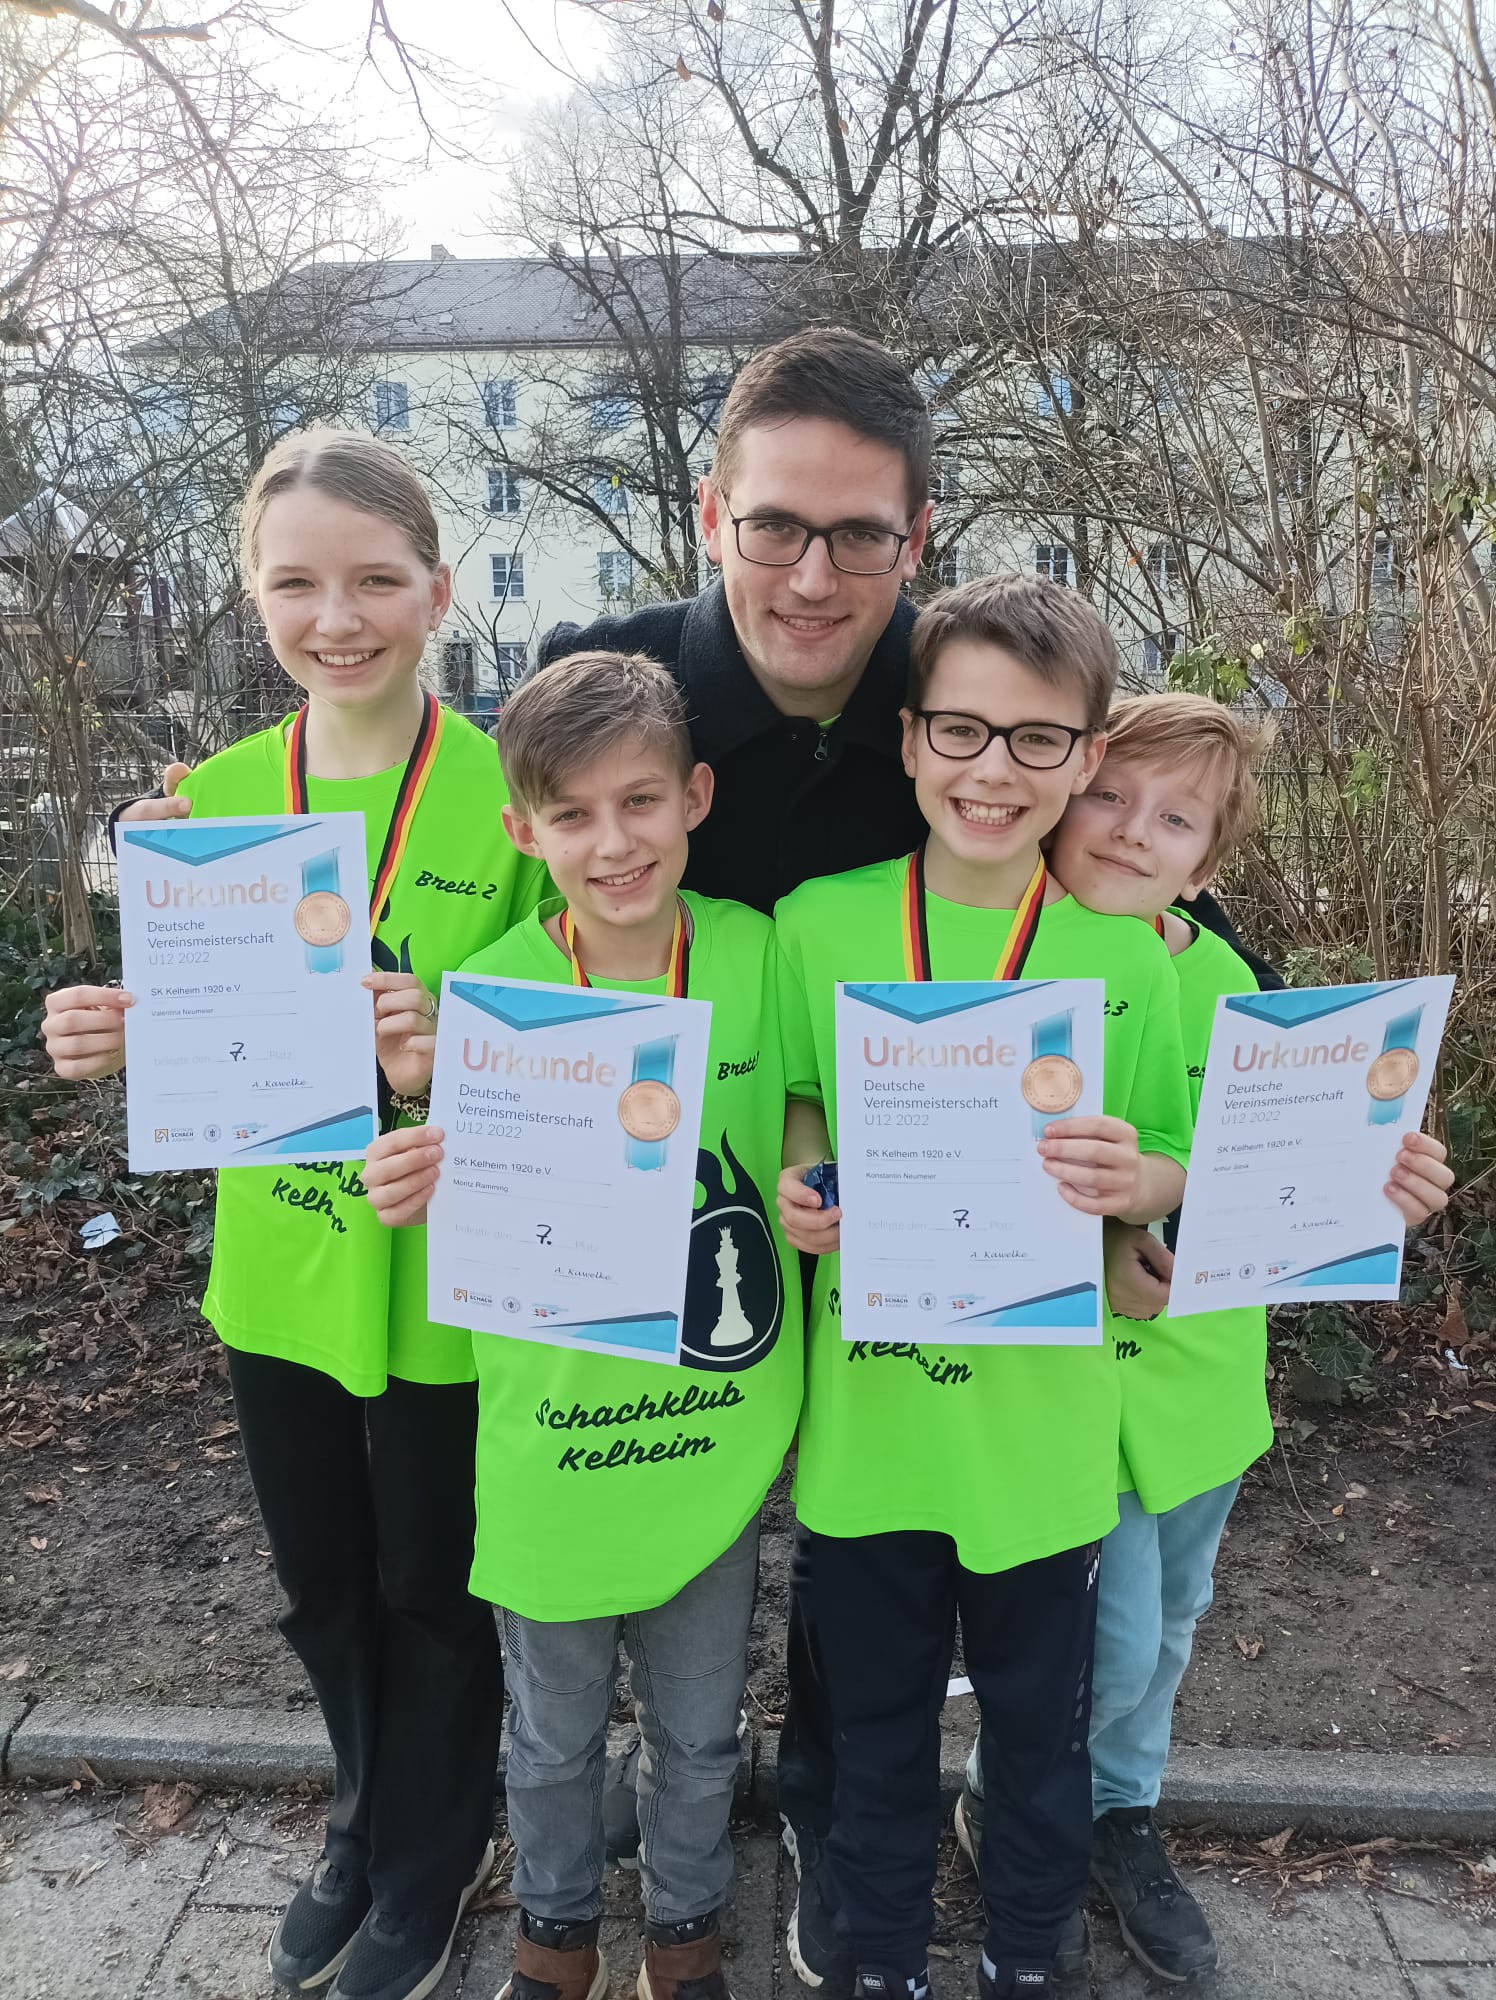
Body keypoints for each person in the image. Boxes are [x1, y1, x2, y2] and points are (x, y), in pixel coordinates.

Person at [40, 429, 546, 2000]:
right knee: (324, 1583)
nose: (339, 618)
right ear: (253, 596)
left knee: (433, 1590)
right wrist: (109, 1036)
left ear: (439, 592)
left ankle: (432, 1854)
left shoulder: (513, 793)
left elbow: (582, 1033)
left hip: (447, 1278)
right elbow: (200, 1035)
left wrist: (452, 1039)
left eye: (377, 580)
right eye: (297, 584)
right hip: (282, 1275)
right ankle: (361, 1814)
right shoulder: (210, 806)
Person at [949, 692, 1454, 1982]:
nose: (1134, 831)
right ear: (1061, 799)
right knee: (1104, 1647)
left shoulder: (1235, 987)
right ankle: (1017, 1800)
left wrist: (1382, 1190)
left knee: (1169, 1626)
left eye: (1176, 819)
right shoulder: (987, 967)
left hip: (1201, 1378)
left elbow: (1283, 1178)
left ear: (1207, 861)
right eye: (1112, 796)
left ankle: (1121, 1816)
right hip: (1053, 1391)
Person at [773, 573, 1197, 2000]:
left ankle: (1028, 1959)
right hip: (870, 1436)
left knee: (1039, 1744)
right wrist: (807, 1179)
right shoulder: (818, 925)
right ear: (909, 740)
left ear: (1085, 758)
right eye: (960, 730)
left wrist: (1139, 1203)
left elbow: (1160, 1175)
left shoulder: (1124, 959)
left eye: (1036, 740)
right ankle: (882, 1963)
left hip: (1042, 1447)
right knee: (876, 1740)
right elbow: (798, 1101)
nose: (992, 770)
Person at [361, 651, 802, 2000]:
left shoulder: (756, 952)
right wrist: (407, 1169)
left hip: (709, 1429)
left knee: (700, 1731)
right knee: (550, 1738)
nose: (613, 844)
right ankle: (553, 1939)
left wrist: (811, 1175)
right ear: (523, 830)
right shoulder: (488, 993)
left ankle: (686, 1934)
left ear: (696, 797)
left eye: (641, 802)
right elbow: (448, 1181)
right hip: (549, 1435)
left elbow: (800, 1105)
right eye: (573, 815)